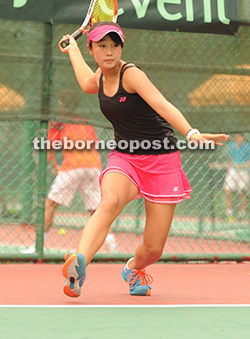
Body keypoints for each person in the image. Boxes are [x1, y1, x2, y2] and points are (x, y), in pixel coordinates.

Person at [59, 21, 229, 298]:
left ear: (121, 48)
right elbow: (85, 82)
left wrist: (191, 132)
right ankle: (79, 265)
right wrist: (73, 50)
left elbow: (161, 103)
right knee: (109, 202)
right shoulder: (99, 78)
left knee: (153, 249)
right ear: (93, 50)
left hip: (162, 161)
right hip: (125, 158)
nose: (109, 51)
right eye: (102, 46)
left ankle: (134, 268)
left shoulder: (132, 75)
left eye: (115, 45)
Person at [22, 120, 118, 253]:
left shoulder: (57, 122)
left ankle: (38, 245)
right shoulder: (87, 120)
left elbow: (50, 148)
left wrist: (54, 165)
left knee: (50, 204)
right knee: (97, 210)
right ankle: (112, 244)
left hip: (72, 167)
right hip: (94, 167)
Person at [224, 133, 250, 220]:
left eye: (240, 136)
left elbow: (249, 161)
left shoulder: (247, 147)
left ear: (243, 138)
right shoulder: (232, 146)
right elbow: (230, 159)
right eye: (237, 136)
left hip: (243, 170)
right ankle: (229, 213)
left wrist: (244, 165)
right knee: (227, 190)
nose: (238, 138)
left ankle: (241, 214)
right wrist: (228, 165)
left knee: (243, 192)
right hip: (233, 170)